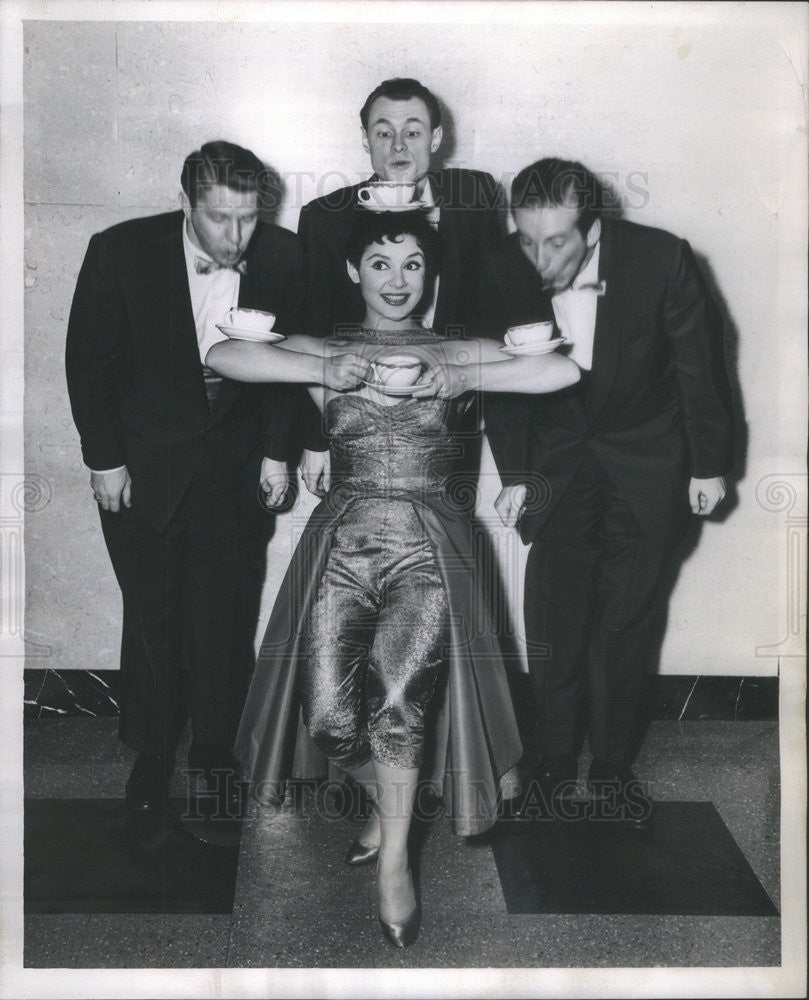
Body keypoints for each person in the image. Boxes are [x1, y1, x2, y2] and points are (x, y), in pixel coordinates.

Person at [206, 209, 580, 946]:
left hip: (430, 548)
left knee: (402, 705)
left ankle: (396, 869)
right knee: (328, 715)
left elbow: (560, 368)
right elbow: (224, 355)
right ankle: (391, 798)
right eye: (380, 263)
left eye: (412, 264)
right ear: (353, 272)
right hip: (340, 543)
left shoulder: (451, 347)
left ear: (430, 274)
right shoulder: (331, 344)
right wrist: (320, 370)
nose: (397, 279)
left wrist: (461, 370)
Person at [65, 140, 364, 829]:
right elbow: (88, 365)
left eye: (248, 219)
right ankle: (151, 752)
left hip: (232, 469)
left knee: (222, 616)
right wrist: (104, 460)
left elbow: (292, 360)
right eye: (220, 219)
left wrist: (281, 452)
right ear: (185, 204)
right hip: (141, 472)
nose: (236, 237)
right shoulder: (119, 251)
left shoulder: (285, 255)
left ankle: (213, 754)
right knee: (154, 616)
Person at [479, 158, 735, 827]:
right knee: (553, 622)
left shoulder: (660, 259)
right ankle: (553, 765)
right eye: (527, 240)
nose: (538, 260)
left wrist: (707, 466)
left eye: (556, 242)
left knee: (624, 624)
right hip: (558, 469)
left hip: (648, 465)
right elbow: (500, 383)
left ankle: (614, 769)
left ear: (591, 228)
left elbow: (700, 369)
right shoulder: (504, 265)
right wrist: (514, 475)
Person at [296, 76, 503, 494]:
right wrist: (314, 438)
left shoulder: (475, 196)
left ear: (436, 137)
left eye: (412, 131)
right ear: (365, 139)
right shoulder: (325, 217)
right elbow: (309, 329)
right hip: (360, 418)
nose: (398, 146)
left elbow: (496, 309)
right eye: (383, 132)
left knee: (446, 536)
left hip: (452, 412)